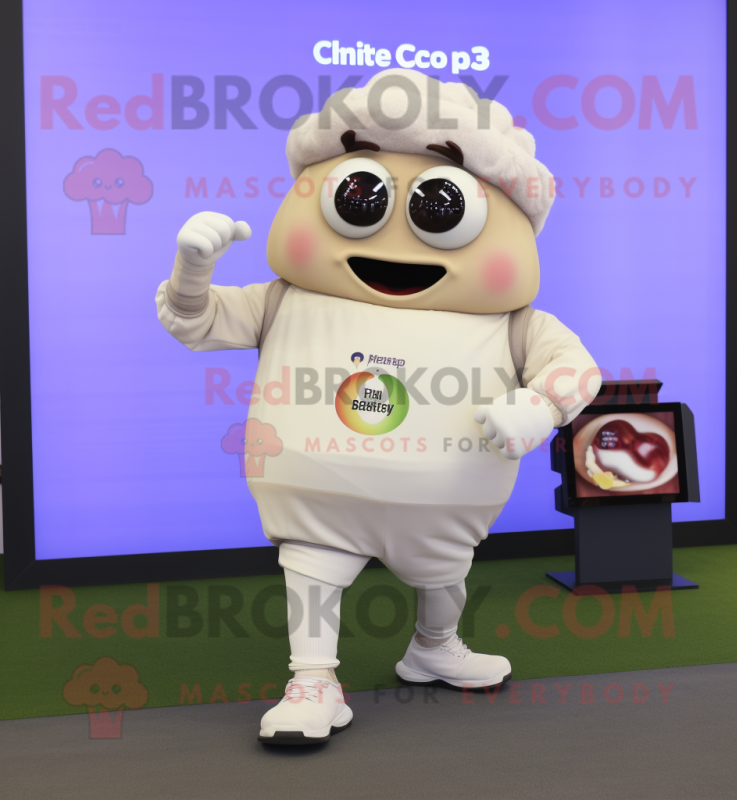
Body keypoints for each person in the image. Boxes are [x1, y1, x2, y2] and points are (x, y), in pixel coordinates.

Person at [156, 68, 600, 745]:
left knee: (445, 576)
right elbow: (197, 322)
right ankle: (313, 680)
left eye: (440, 208)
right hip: (318, 496)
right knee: (312, 572)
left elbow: (576, 369)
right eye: (359, 200)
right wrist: (192, 271)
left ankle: (435, 646)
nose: (394, 232)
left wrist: (540, 406)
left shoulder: (511, 322)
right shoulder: (286, 299)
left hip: (446, 508)